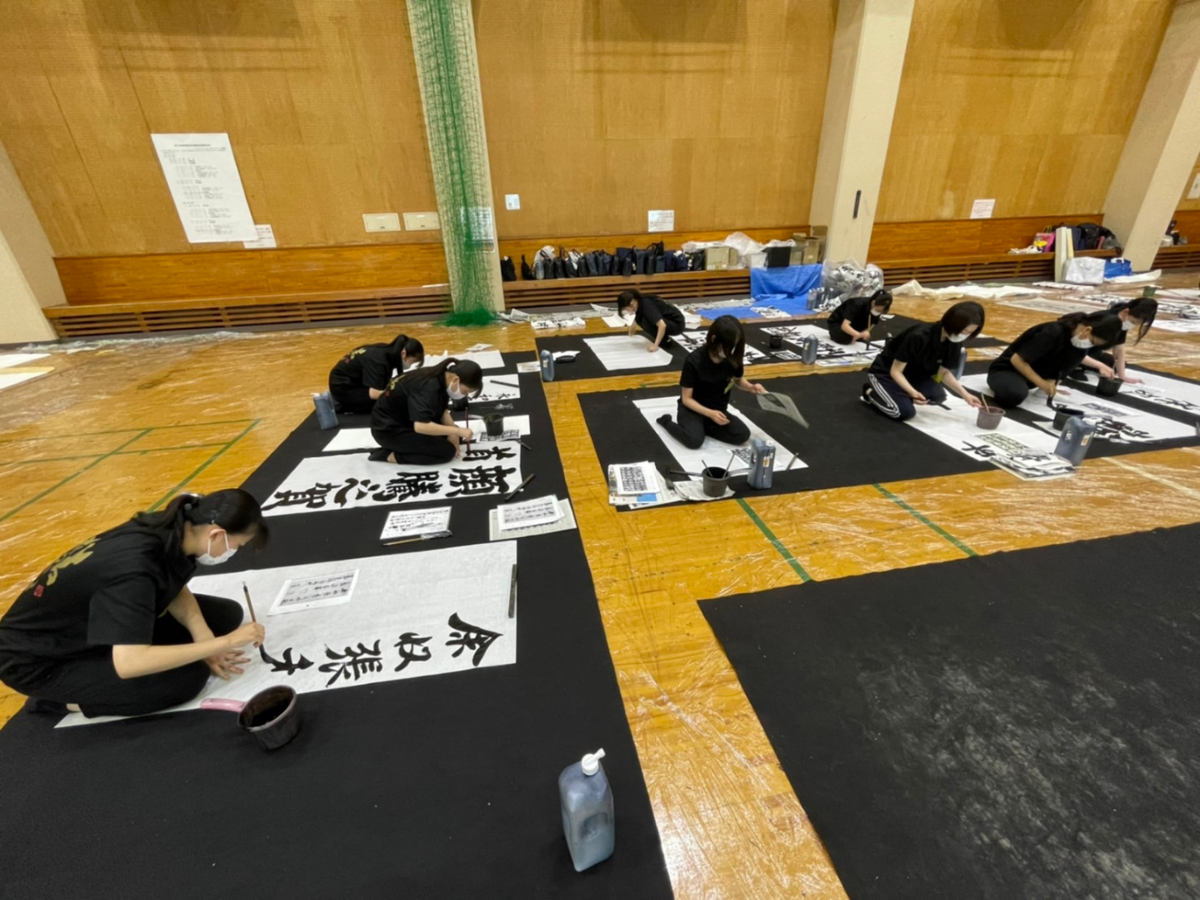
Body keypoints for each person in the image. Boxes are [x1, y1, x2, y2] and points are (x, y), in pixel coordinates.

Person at [0, 490, 268, 719]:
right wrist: (222, 644)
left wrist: (203, 635)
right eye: (237, 545)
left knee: (223, 616)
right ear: (217, 534)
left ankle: (135, 646)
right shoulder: (135, 571)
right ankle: (59, 702)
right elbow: (130, 663)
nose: (234, 551)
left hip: (86, 622)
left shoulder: (172, 527)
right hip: (38, 660)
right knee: (185, 680)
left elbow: (171, 581)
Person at [862, 301, 986, 421]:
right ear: (952, 323)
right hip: (887, 373)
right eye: (964, 331)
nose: (964, 335)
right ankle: (870, 392)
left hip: (915, 375)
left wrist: (966, 395)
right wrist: (912, 393)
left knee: (937, 397)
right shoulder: (919, 336)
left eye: (970, 332)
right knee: (902, 412)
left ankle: (898, 394)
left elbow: (943, 373)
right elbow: (896, 371)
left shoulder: (954, 341)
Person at [656, 315, 766, 449]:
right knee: (694, 441)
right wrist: (709, 413)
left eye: (734, 346)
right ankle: (666, 422)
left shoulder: (732, 358)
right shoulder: (694, 360)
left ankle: (704, 427)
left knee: (742, 435)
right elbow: (686, 399)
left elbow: (737, 379)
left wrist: (750, 387)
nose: (731, 351)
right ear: (714, 339)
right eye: (729, 346)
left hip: (717, 409)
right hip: (692, 409)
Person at [987, 311, 1122, 408]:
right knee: (1014, 395)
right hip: (1008, 370)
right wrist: (1042, 383)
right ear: (1087, 330)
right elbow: (1017, 360)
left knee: (1104, 359)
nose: (1090, 345)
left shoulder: (1080, 344)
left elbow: (1063, 369)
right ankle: (1004, 387)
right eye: (1093, 341)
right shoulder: (1053, 331)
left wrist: (1050, 385)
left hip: (1034, 379)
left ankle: (1027, 387)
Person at [370, 358, 483, 465]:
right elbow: (421, 426)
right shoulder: (428, 387)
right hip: (388, 430)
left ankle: (405, 447)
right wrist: (456, 430)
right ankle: (388, 455)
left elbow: (441, 408)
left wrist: (453, 432)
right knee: (445, 452)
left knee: (455, 437)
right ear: (456, 380)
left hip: (406, 419)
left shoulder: (441, 376)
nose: (464, 396)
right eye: (465, 391)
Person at [328, 334, 425, 414]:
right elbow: (374, 393)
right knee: (384, 404)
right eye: (413, 361)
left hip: (352, 380)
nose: (411, 364)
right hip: (341, 386)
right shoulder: (379, 360)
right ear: (404, 354)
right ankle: (341, 404)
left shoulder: (389, 352)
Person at [1078, 297, 1157, 384]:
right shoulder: (1104, 321)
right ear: (1125, 312)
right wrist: (1100, 366)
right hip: (1072, 351)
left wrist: (1122, 376)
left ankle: (1082, 365)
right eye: (1133, 322)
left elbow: (1119, 349)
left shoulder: (1121, 322)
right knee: (1099, 365)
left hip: (1091, 352)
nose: (1132, 325)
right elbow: (1075, 351)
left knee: (1113, 365)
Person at [618, 289, 685, 353]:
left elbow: (662, 325)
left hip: (677, 324)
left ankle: (666, 340)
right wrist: (632, 327)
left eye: (627, 309)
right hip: (669, 320)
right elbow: (638, 316)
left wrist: (655, 345)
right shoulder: (639, 302)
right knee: (640, 318)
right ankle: (662, 338)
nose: (628, 311)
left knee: (646, 321)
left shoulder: (646, 305)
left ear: (631, 303)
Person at [828, 289, 892, 346]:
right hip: (838, 323)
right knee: (844, 338)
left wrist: (862, 334)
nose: (879, 313)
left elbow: (870, 325)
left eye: (881, 312)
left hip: (855, 324)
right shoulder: (856, 304)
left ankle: (853, 334)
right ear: (873, 303)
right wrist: (858, 335)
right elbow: (844, 326)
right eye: (878, 311)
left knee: (865, 337)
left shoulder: (876, 309)